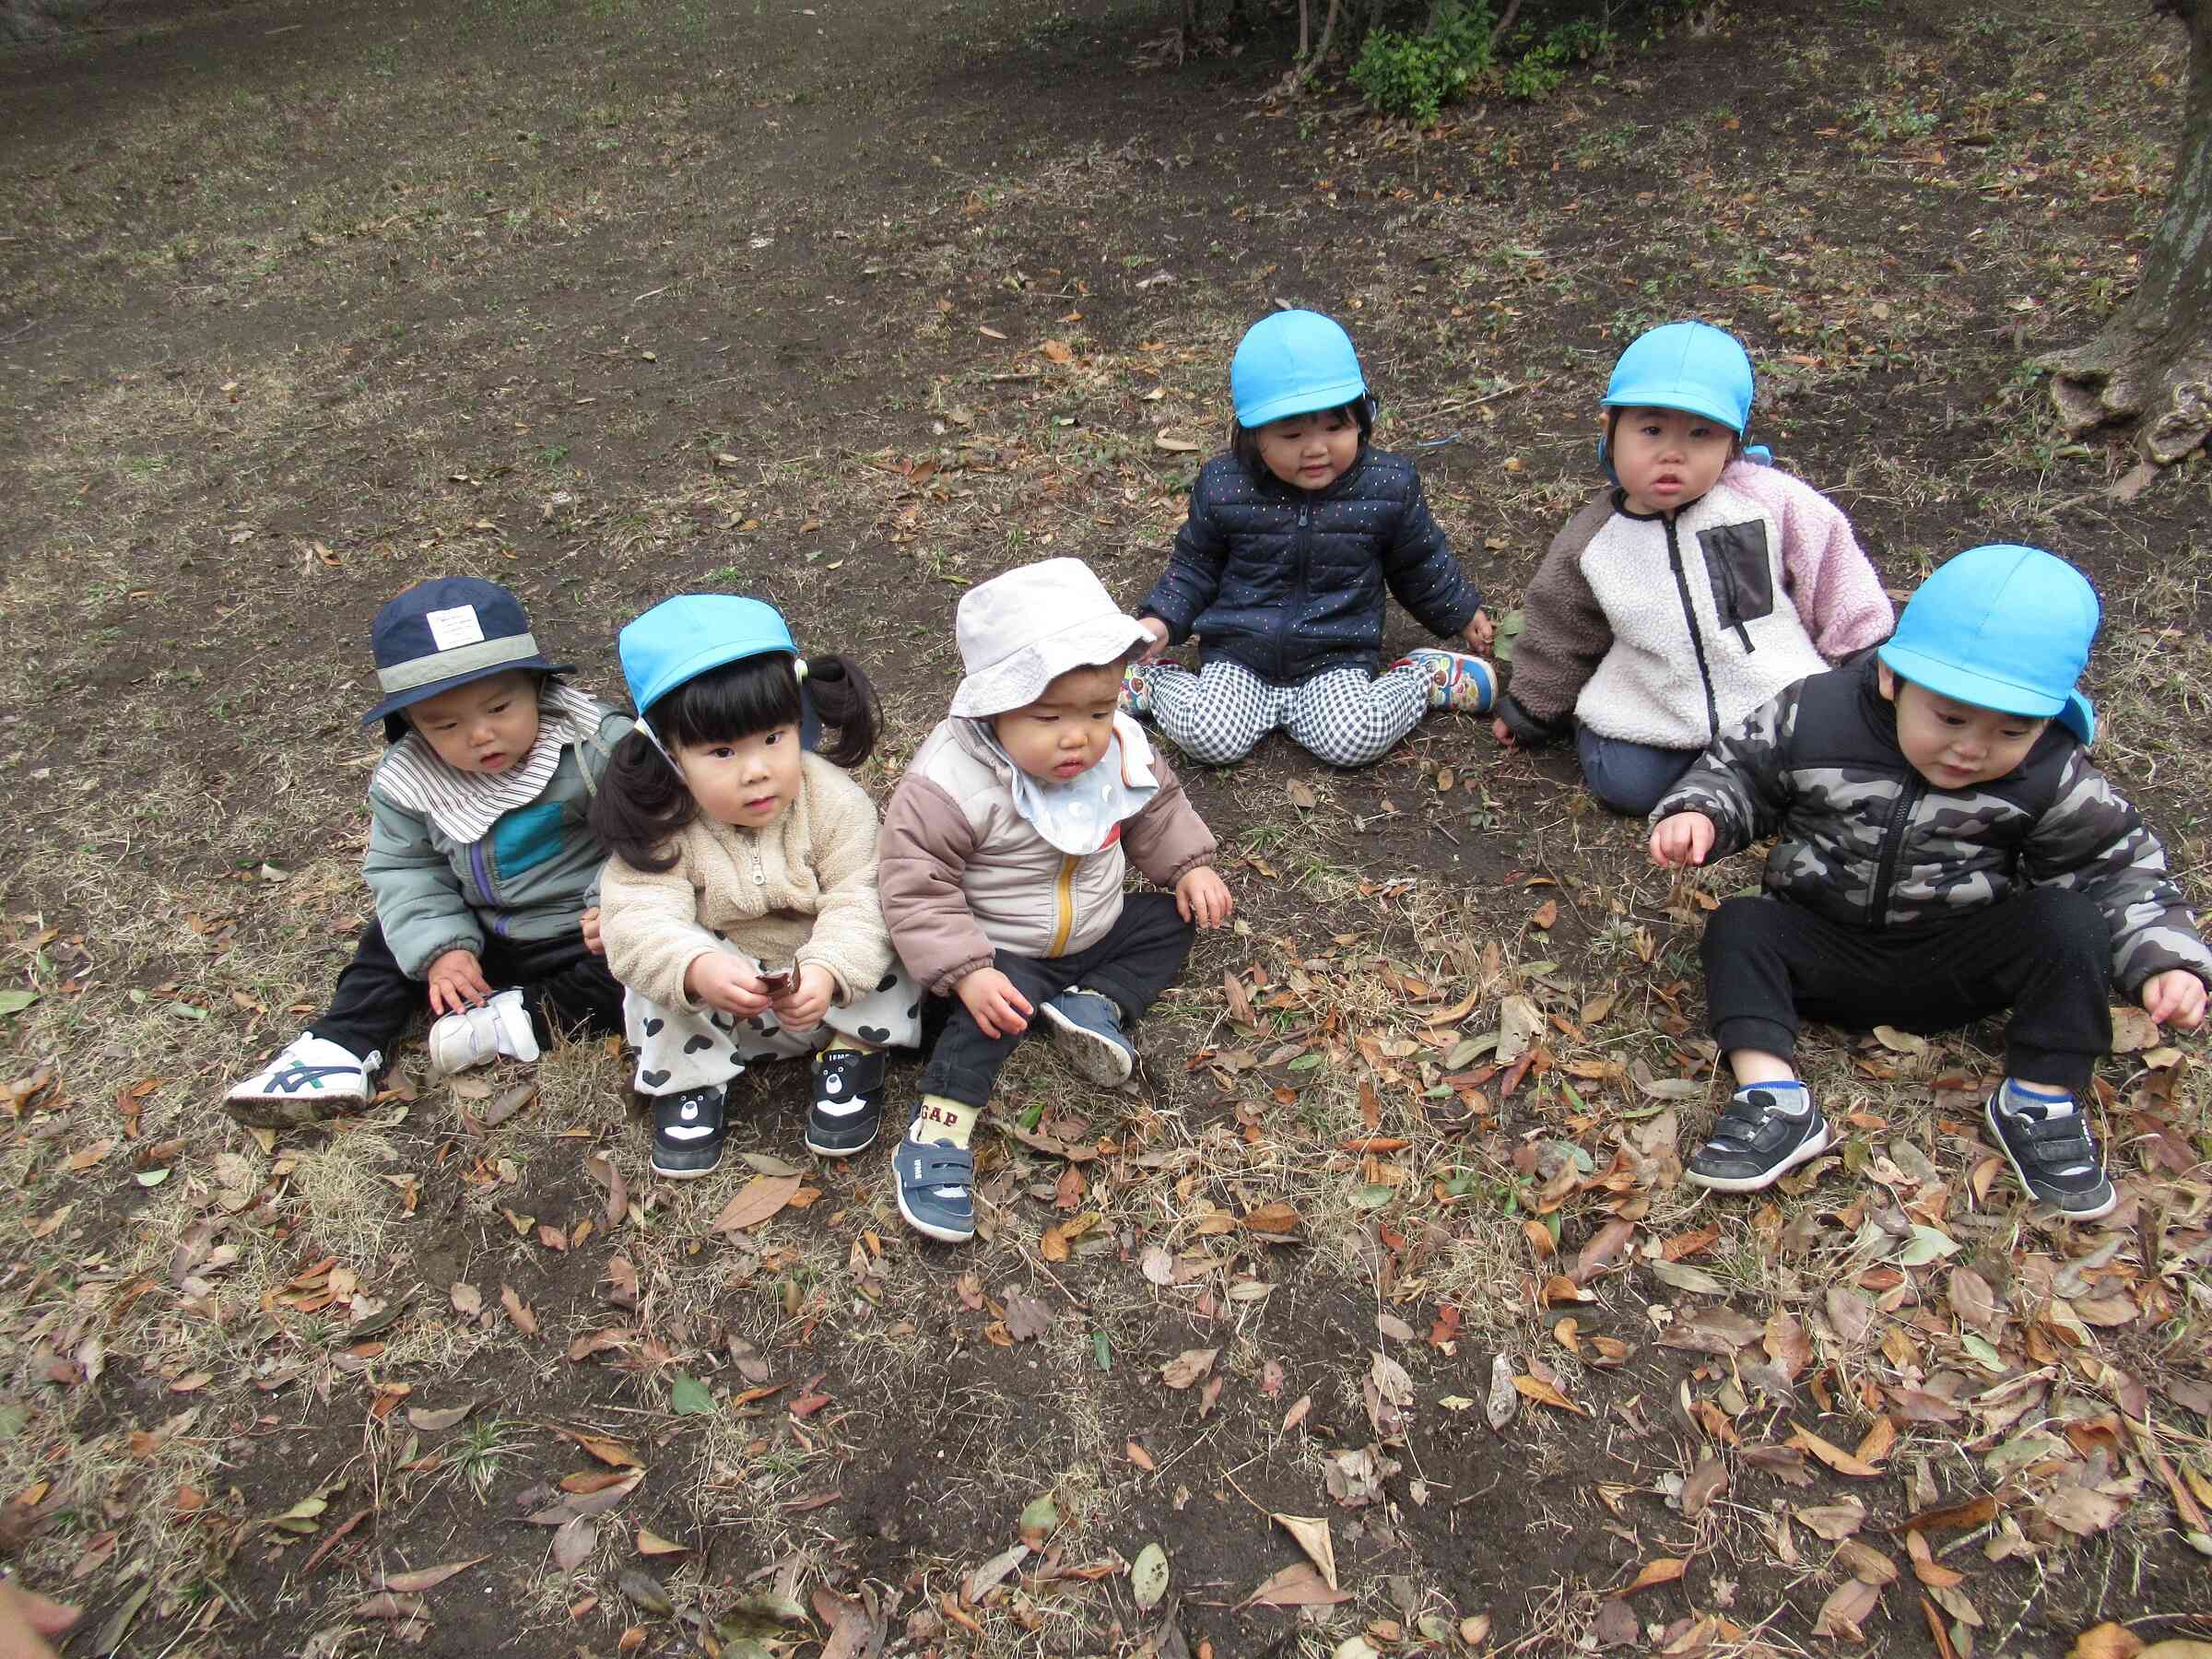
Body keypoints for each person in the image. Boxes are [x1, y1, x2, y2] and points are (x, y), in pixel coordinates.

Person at [1650, 544, 2211, 1218]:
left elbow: (2113, 865)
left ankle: (2041, 1099)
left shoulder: (2050, 770)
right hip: (1818, 948)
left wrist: (2163, 960)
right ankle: (1773, 1096)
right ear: (1891, 677)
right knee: (1740, 924)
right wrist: (1700, 814)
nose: (1972, 748)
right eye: (1949, 718)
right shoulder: (1815, 714)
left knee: (2069, 923)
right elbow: (1739, 771)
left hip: (1955, 963)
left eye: (2012, 728)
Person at [879, 559, 1234, 1242]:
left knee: (1169, 922)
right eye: (1049, 716)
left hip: (1096, 925)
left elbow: (1154, 806)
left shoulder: (1115, 748)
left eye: (1099, 712)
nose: (1079, 735)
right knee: (987, 1025)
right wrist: (967, 971)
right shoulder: (952, 781)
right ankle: (938, 1134)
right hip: (1003, 948)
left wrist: (1188, 866)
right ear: (994, 706)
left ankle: (1091, 1001)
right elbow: (915, 884)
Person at [225, 578, 629, 1127]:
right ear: (411, 726)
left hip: (578, 927)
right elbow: (405, 868)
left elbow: (646, 834)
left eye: (500, 707)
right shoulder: (411, 782)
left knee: (638, 970)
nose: (482, 735)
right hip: (481, 925)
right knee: (387, 939)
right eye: (447, 724)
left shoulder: (594, 745)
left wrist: (614, 904)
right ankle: (338, 1047)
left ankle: (521, 1018)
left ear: (538, 689)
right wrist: (441, 948)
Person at [1490, 321, 1894, 815]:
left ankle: (1736, 777)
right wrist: (1534, 705)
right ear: (1610, 430)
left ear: (1732, 445)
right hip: (1657, 703)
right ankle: (1717, 775)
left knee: (1820, 770)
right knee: (1625, 786)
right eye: (1652, 429)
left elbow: (1832, 565)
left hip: (1773, 694)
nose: (1672, 454)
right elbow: (1561, 624)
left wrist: (1864, 651)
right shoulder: (1593, 539)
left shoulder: (1767, 501)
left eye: (1701, 434)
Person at [593, 595, 918, 1180]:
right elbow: (637, 918)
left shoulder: (832, 800)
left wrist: (825, 971)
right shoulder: (664, 824)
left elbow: (860, 894)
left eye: (773, 737)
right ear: (670, 755)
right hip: (723, 1009)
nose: (755, 770)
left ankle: (855, 1051)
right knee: (654, 973)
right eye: (721, 752)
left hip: (834, 995)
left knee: (898, 919)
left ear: (799, 724)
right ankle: (692, 1083)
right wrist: (698, 970)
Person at [1121, 309, 1498, 768]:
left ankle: (1423, 677)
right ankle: (1155, 682)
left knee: (1356, 739)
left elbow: (1417, 562)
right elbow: (1196, 566)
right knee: (1209, 738)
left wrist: (1460, 612)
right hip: (1241, 656)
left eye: (1335, 427)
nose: (1316, 448)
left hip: (1333, 657)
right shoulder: (1225, 486)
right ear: (1253, 435)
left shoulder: (1387, 487)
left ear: (1362, 418)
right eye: (1293, 434)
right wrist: (1161, 620)